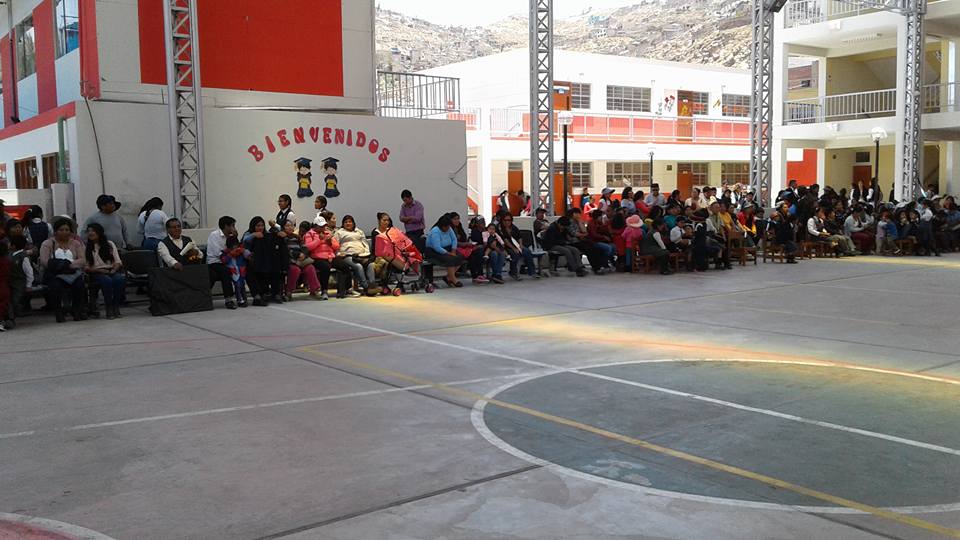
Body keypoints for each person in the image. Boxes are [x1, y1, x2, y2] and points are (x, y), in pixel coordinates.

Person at [39, 217, 87, 322]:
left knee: (79, 285)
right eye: (61, 230)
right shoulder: (47, 243)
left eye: (67, 230)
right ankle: (58, 311)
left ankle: (76, 310)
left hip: (72, 272)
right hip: (55, 273)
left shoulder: (76, 243)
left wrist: (69, 265)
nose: (64, 232)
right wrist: (60, 265)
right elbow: (44, 261)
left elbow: (82, 260)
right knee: (56, 286)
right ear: (56, 231)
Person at [83, 222, 126, 319]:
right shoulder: (86, 246)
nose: (90, 233)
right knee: (107, 281)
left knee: (119, 279)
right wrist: (99, 271)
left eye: (93, 231)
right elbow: (86, 267)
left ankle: (115, 305)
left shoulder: (109, 244)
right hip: (96, 272)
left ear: (99, 232)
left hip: (110, 269)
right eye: (89, 231)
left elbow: (118, 261)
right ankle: (109, 307)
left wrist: (113, 270)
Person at [243, 216, 284, 305]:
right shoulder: (248, 233)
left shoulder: (266, 234)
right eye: (258, 226)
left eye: (262, 225)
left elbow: (278, 231)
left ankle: (275, 293)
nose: (260, 228)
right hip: (250, 260)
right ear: (253, 226)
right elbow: (244, 241)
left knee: (275, 266)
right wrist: (253, 235)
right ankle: (257, 296)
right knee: (251, 271)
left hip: (264, 260)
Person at [333, 215, 377, 297]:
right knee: (358, 266)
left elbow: (365, 244)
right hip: (347, 255)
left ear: (353, 223)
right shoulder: (339, 232)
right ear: (343, 224)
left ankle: (372, 285)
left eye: (350, 222)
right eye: (346, 222)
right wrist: (338, 254)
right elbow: (335, 246)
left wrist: (366, 253)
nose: (348, 223)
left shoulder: (359, 231)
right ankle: (366, 287)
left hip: (362, 255)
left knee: (370, 265)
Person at [281, 220, 322, 300]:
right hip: (290, 260)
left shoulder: (297, 237)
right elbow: (285, 250)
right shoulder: (283, 238)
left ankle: (314, 290)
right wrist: (297, 255)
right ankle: (289, 291)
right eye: (287, 226)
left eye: (291, 225)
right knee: (295, 270)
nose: (290, 227)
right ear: (283, 228)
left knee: (310, 268)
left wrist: (303, 254)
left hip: (301, 259)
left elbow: (304, 247)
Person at [206, 216, 239, 309]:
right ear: (226, 226)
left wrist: (235, 238)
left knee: (240, 268)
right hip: (215, 262)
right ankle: (228, 299)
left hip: (228, 261)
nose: (234, 228)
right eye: (232, 226)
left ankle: (241, 296)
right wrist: (230, 252)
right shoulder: (214, 235)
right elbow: (218, 253)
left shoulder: (231, 236)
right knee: (225, 271)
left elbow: (236, 248)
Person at [374, 212, 422, 276]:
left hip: (397, 252)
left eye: (388, 220)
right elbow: (378, 250)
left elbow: (401, 241)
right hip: (386, 254)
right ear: (379, 221)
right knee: (396, 259)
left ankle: (415, 274)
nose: (386, 222)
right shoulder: (376, 234)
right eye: (384, 220)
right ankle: (406, 270)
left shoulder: (392, 231)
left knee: (412, 256)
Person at [303, 216, 339, 300]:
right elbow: (308, 247)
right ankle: (324, 291)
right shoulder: (309, 234)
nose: (323, 228)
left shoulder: (327, 233)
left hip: (330, 256)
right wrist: (319, 240)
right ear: (315, 226)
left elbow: (337, 246)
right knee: (325, 267)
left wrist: (330, 243)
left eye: (324, 226)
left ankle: (345, 289)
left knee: (344, 266)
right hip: (317, 258)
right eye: (321, 226)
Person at [426, 214, 466, 287]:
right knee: (450, 259)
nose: (448, 229)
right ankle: (453, 279)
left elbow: (454, 239)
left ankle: (448, 277)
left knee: (460, 256)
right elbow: (437, 247)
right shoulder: (435, 231)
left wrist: (453, 250)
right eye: (446, 227)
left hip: (448, 248)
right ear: (442, 226)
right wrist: (449, 253)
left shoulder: (449, 228)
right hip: (434, 251)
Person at [497, 214, 538, 280]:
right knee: (514, 254)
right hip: (506, 247)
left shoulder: (513, 227)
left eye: (509, 220)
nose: (507, 222)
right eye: (505, 220)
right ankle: (513, 272)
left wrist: (520, 245)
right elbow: (505, 241)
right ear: (502, 220)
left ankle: (532, 272)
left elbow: (519, 237)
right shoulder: (500, 229)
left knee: (527, 251)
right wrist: (514, 248)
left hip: (516, 245)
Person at [455, 214, 488, 284]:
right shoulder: (474, 231)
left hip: (486, 248)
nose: (483, 223)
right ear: (477, 224)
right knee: (475, 254)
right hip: (474, 249)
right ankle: (478, 275)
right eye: (481, 222)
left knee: (493, 254)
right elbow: (475, 242)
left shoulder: (487, 230)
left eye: (484, 221)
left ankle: (493, 274)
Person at [8, 235, 35, 322]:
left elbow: (29, 272)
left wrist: (29, 285)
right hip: (11, 282)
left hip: (20, 283)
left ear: (13, 245)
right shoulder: (10, 255)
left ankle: (15, 314)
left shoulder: (23, 257)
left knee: (15, 300)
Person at [221, 236, 250, 307]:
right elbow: (224, 260)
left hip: (241, 271)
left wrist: (244, 251)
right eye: (232, 246)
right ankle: (240, 300)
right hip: (233, 271)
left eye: (236, 245)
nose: (234, 248)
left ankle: (244, 299)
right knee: (237, 285)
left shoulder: (241, 251)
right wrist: (230, 254)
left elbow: (248, 256)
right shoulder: (225, 252)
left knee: (242, 285)